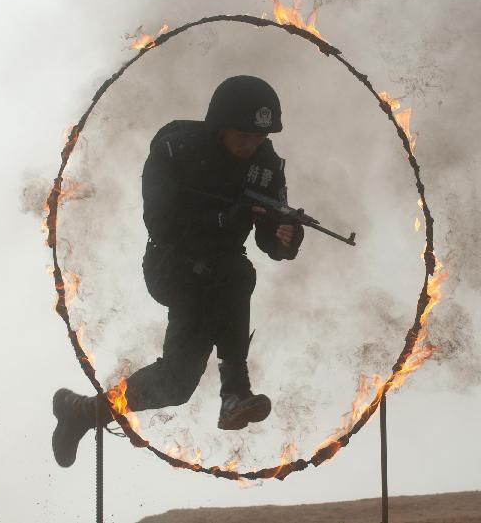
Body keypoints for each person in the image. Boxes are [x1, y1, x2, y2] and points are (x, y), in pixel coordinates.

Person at [52, 75, 304, 468]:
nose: (251, 144)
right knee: (237, 272)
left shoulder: (266, 166)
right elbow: (160, 222)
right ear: (220, 126)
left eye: (260, 136)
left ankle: (81, 413)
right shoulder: (176, 148)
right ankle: (235, 389)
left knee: (176, 384)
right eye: (243, 134)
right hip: (173, 266)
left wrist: (284, 237)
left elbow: (269, 233)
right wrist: (224, 218)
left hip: (218, 278)